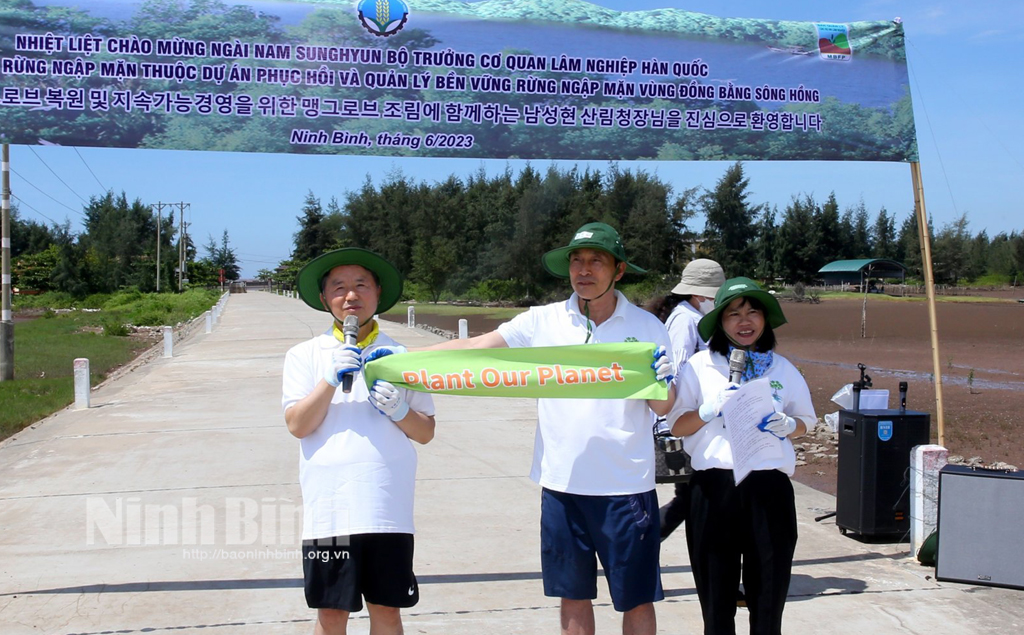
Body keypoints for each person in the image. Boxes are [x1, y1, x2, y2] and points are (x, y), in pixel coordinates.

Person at [390, 222, 675, 635]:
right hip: (562, 485)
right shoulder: (543, 321)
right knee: (572, 595)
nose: (584, 269)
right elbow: (473, 349)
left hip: (625, 487)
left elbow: (662, 406)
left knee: (636, 597)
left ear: (619, 270)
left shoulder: (648, 328)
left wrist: (663, 378)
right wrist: (402, 362)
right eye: (577, 260)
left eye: (596, 261)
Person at [282, 248, 436, 635]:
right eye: (339, 287)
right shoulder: (304, 355)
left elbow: (426, 432)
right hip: (329, 509)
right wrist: (329, 380)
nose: (350, 296)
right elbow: (298, 425)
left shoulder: (401, 356)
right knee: (331, 613)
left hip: (386, 506)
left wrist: (400, 410)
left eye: (361, 285)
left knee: (387, 609)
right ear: (324, 299)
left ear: (378, 292)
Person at [669, 277, 815, 635]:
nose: (744, 321)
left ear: (765, 320)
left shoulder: (782, 369)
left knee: (768, 596)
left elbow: (807, 422)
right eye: (733, 313)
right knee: (716, 599)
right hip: (714, 488)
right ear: (719, 321)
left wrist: (788, 424)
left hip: (769, 490)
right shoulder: (700, 366)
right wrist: (706, 411)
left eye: (753, 312)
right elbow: (677, 425)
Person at [644, 258, 725, 541]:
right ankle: (642, 546)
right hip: (684, 421)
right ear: (700, 294)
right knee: (692, 497)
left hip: (696, 420)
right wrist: (674, 420)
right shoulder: (685, 320)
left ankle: (644, 548)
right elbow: (676, 372)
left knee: (691, 497)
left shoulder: (694, 316)